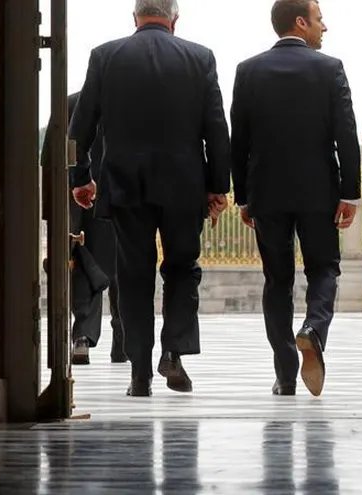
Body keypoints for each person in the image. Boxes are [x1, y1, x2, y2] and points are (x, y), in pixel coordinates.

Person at [68, 0, 231, 397]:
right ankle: (173, 353)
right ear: (174, 20)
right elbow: (216, 128)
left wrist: (82, 178)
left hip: (125, 184)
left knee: (134, 275)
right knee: (182, 268)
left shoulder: (105, 57)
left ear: (134, 18)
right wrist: (217, 186)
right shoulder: (200, 58)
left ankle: (139, 371)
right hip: (184, 185)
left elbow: (79, 131)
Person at [230, 0, 361, 397]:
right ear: (301, 22)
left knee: (277, 281)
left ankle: (285, 374)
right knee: (325, 269)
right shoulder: (329, 68)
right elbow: (346, 135)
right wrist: (349, 193)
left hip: (266, 192)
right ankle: (314, 329)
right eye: (320, 19)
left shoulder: (248, 70)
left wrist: (242, 197)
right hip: (319, 191)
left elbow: (240, 140)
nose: (325, 27)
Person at [40, 92, 126, 366]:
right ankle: (123, 343)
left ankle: (83, 337)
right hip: (118, 198)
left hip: (76, 202)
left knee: (86, 267)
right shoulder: (127, 102)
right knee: (120, 269)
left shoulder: (68, 104)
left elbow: (49, 158)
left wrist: (50, 211)